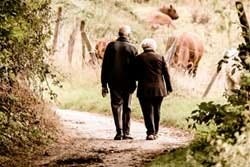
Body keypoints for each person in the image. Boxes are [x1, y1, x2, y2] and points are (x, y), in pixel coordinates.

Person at [101, 25, 138, 140]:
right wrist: (137, 81)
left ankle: (119, 132)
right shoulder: (133, 48)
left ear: (118, 34)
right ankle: (127, 132)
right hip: (129, 82)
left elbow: (105, 66)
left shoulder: (111, 46)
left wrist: (104, 84)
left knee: (116, 106)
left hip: (114, 82)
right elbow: (136, 68)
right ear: (128, 35)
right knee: (127, 106)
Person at [134, 38, 172, 140]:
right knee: (157, 110)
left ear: (143, 47)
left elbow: (135, 75)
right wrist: (169, 88)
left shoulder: (138, 58)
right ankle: (156, 132)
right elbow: (166, 74)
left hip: (144, 89)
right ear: (153, 47)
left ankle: (150, 132)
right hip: (159, 89)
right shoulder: (160, 57)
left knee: (147, 111)